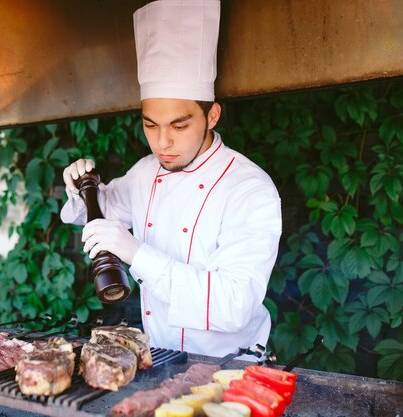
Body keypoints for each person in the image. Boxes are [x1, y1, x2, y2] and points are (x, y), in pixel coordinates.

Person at [60, 0, 282, 357]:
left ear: (212, 115)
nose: (163, 143)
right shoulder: (146, 171)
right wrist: (80, 186)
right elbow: (100, 211)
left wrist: (136, 254)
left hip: (227, 371)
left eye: (180, 125)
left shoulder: (249, 190)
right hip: (159, 362)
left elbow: (234, 305)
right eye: (150, 124)